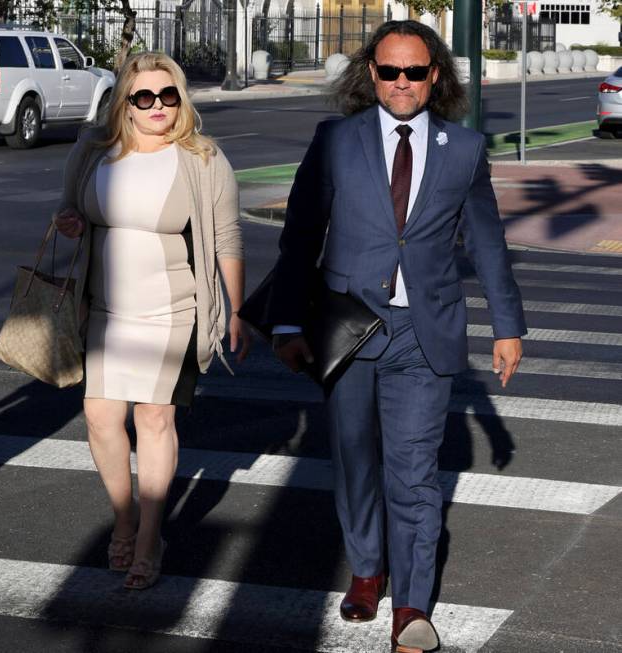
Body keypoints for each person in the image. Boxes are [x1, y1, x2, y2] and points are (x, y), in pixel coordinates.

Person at [262, 21, 526, 652]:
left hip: (423, 330)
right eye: (389, 71)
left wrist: (507, 326)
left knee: (413, 472)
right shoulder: (335, 140)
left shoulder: (463, 148)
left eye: (414, 71)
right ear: (370, 74)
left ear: (435, 76)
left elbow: (487, 240)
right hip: (348, 325)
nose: (401, 83)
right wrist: (288, 320)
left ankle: (411, 605)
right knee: (355, 460)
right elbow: (301, 237)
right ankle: (366, 568)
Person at [53, 52, 250, 590]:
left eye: (168, 95)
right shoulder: (93, 152)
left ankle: (146, 539)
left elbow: (229, 238)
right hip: (106, 312)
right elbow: (68, 210)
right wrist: (69, 223)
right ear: (126, 103)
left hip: (172, 312)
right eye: (144, 97)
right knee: (98, 417)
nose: (158, 105)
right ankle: (124, 516)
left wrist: (236, 309)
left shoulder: (202, 158)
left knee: (155, 420)